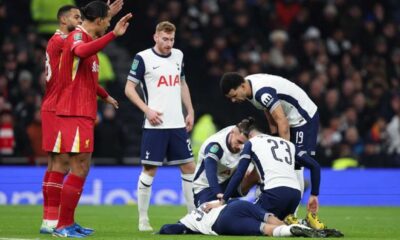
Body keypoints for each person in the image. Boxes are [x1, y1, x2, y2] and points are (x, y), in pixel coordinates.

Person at [40, 2, 122, 235]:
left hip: (81, 110)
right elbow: (79, 51)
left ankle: (63, 222)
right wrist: (113, 35)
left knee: (75, 165)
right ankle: (60, 223)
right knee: (74, 165)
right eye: (106, 20)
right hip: (72, 111)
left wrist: (105, 96)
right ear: (98, 21)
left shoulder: (84, 38)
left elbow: (87, 78)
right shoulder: (76, 36)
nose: (108, 25)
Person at [220, 72, 325, 228]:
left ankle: (293, 216)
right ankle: (291, 216)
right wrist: (274, 136)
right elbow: (270, 115)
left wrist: (284, 152)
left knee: (295, 166)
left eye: (234, 95)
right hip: (290, 118)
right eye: (231, 98)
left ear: (242, 86)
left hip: (303, 118)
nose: (234, 100)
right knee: (290, 165)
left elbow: (281, 120)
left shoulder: (262, 92)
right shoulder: (250, 90)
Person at [125, 21, 196, 231]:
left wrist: (190, 111)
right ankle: (143, 219)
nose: (168, 43)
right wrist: (146, 110)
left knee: (189, 167)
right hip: (155, 125)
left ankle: (193, 217)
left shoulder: (178, 55)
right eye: (165, 39)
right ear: (155, 37)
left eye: (172, 39)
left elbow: (182, 83)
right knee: (149, 169)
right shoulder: (143, 57)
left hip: (177, 125)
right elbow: (129, 88)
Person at [204, 126, 321, 223]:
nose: (241, 145)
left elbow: (239, 174)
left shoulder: (251, 143)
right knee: (278, 222)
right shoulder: (287, 143)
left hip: (273, 194)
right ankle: (302, 223)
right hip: (295, 196)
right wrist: (314, 195)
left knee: (243, 218)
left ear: (250, 135)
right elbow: (315, 166)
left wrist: (223, 200)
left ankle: (300, 224)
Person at [158, 199, 325, 238]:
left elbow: (171, 228)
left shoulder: (188, 220)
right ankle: (306, 227)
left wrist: (161, 232)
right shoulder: (206, 204)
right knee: (269, 218)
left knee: (265, 229)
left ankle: (292, 231)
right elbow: (224, 200)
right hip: (235, 204)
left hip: (223, 222)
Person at [193, 118, 258, 207]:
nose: (240, 147)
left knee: (256, 173)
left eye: (244, 144)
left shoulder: (246, 142)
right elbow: (210, 173)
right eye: (239, 142)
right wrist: (218, 193)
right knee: (209, 216)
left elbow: (240, 173)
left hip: (228, 181)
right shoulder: (216, 146)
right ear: (232, 133)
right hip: (207, 186)